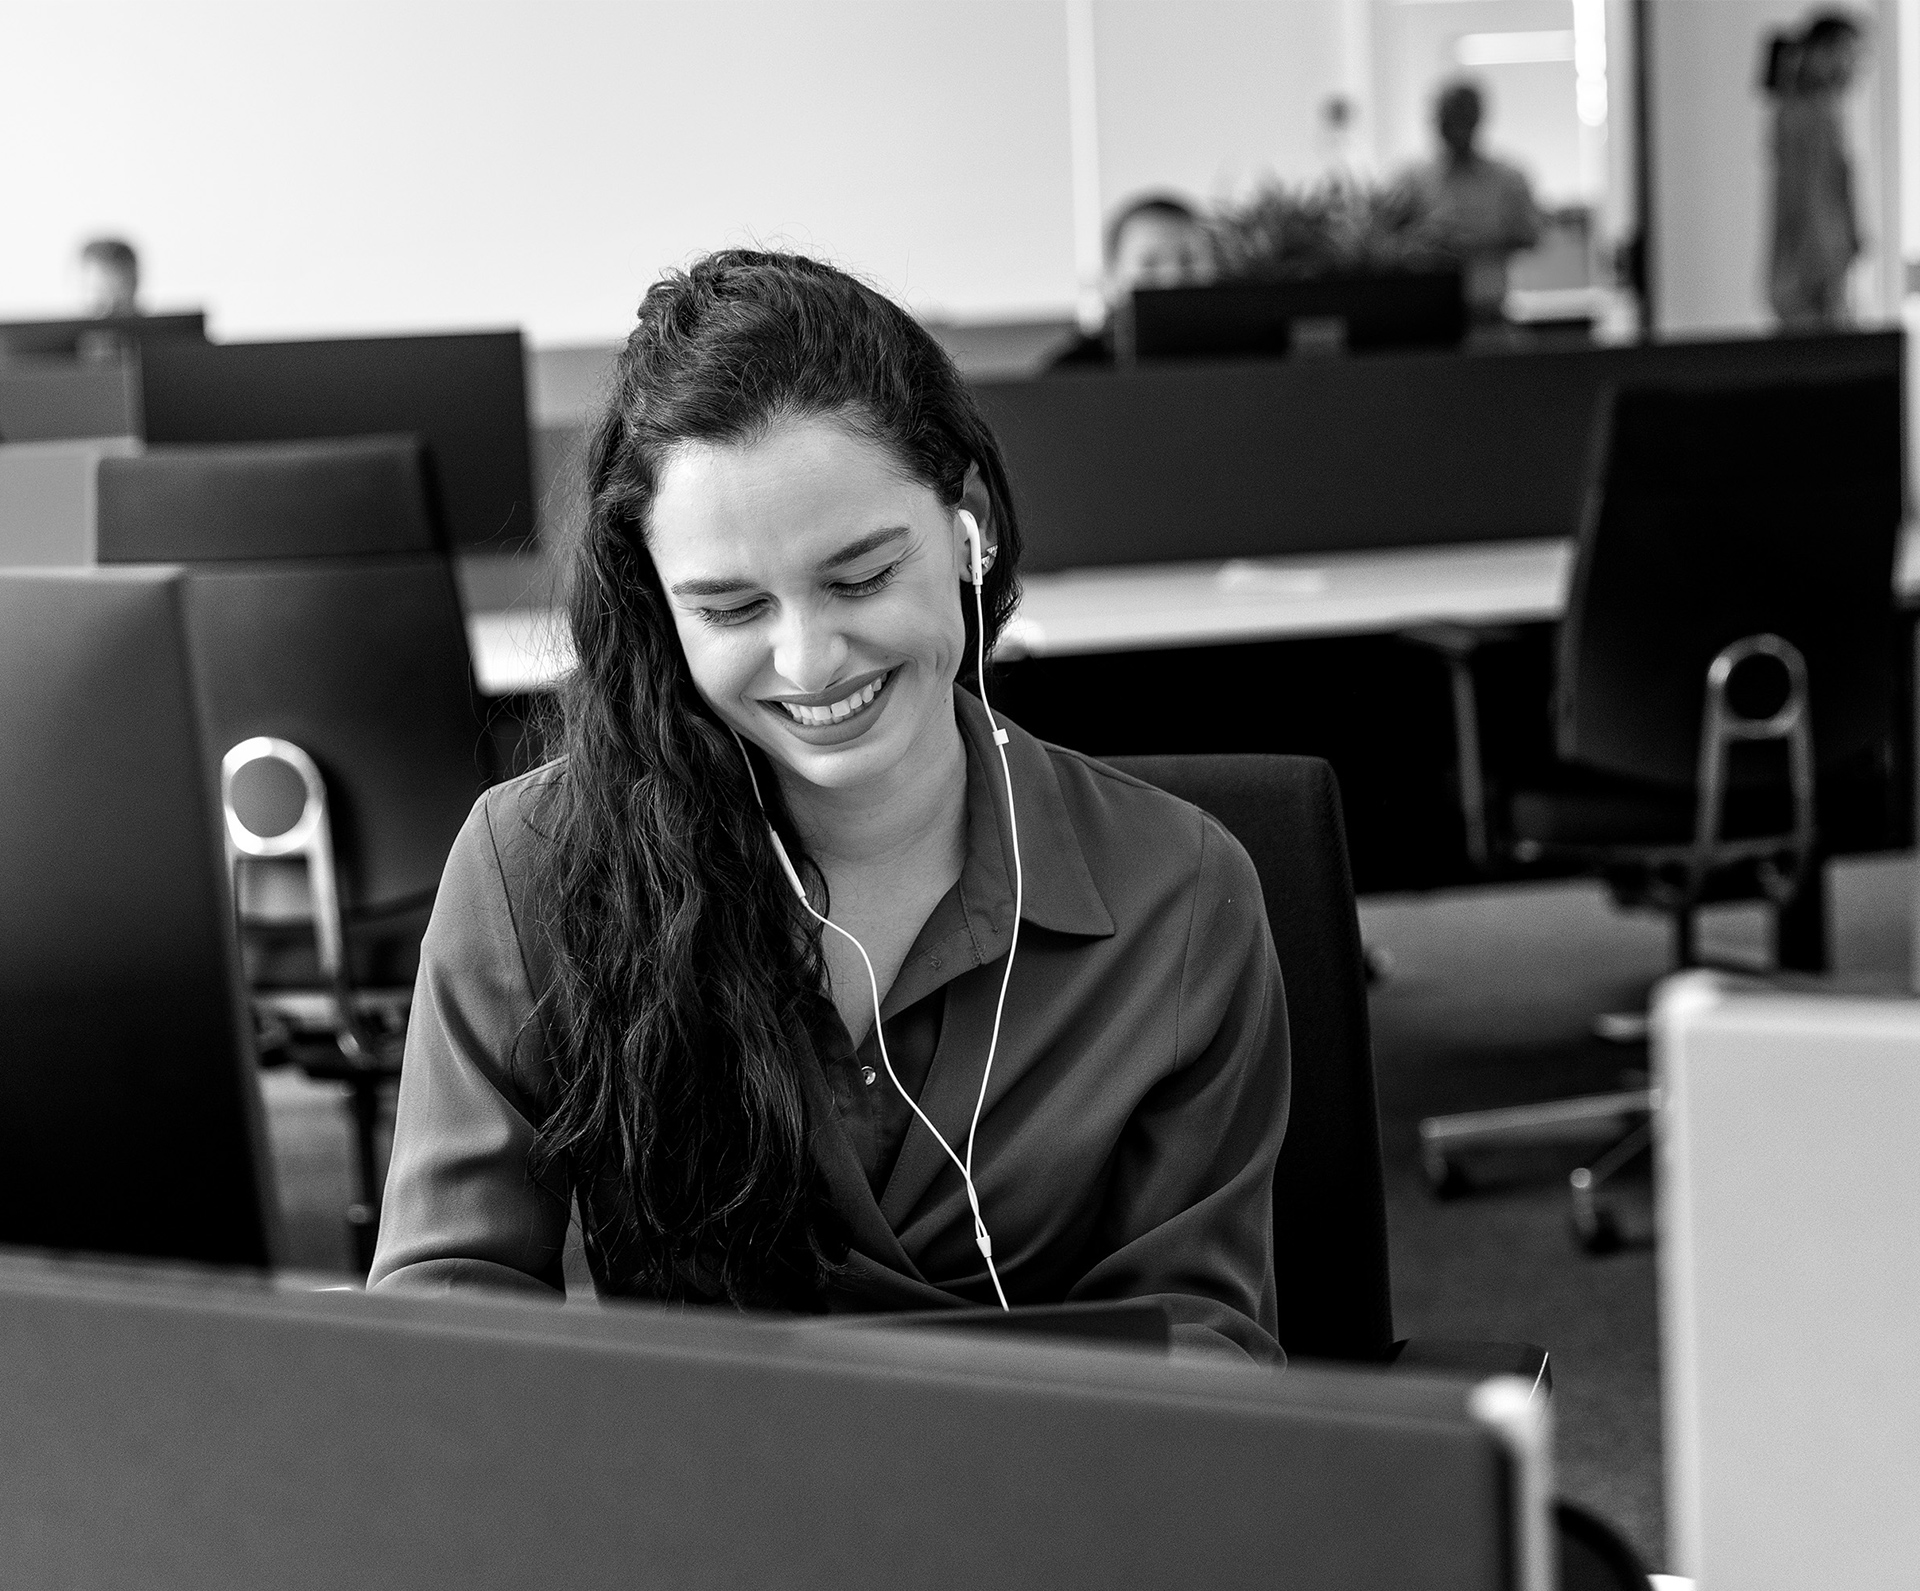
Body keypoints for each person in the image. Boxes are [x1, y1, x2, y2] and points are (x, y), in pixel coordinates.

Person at [370, 250, 1288, 1361]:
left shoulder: (1177, 894)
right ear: (661, 610)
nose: (807, 662)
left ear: (969, 529)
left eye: (859, 579)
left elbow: (1204, 1337)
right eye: (731, 606)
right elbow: (447, 1313)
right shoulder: (536, 865)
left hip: (1058, 1500)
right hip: (698, 1503)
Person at [1400, 80, 1542, 320]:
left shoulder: (1507, 179)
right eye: (1448, 117)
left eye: (1463, 116)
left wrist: (1476, 244)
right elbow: (1393, 243)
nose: (1456, 126)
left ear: (1477, 119)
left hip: (1489, 310)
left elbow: (1530, 236)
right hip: (1424, 316)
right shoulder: (1413, 180)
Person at [1763, 12, 1865, 328]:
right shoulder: (1808, 115)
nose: (1854, 66)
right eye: (1848, 53)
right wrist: (1828, 269)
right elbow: (1808, 199)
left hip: (1814, 273)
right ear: (1822, 52)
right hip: (1812, 279)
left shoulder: (1808, 110)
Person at [1051, 192, 1210, 366]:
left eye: (1188, 260)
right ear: (1112, 279)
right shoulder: (1072, 373)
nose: (1172, 278)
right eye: (1149, 264)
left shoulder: (1240, 359)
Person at [77, 236, 141, 319]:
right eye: (99, 305)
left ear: (134, 283)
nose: (109, 311)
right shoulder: (64, 330)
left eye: (118, 305)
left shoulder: (157, 330)